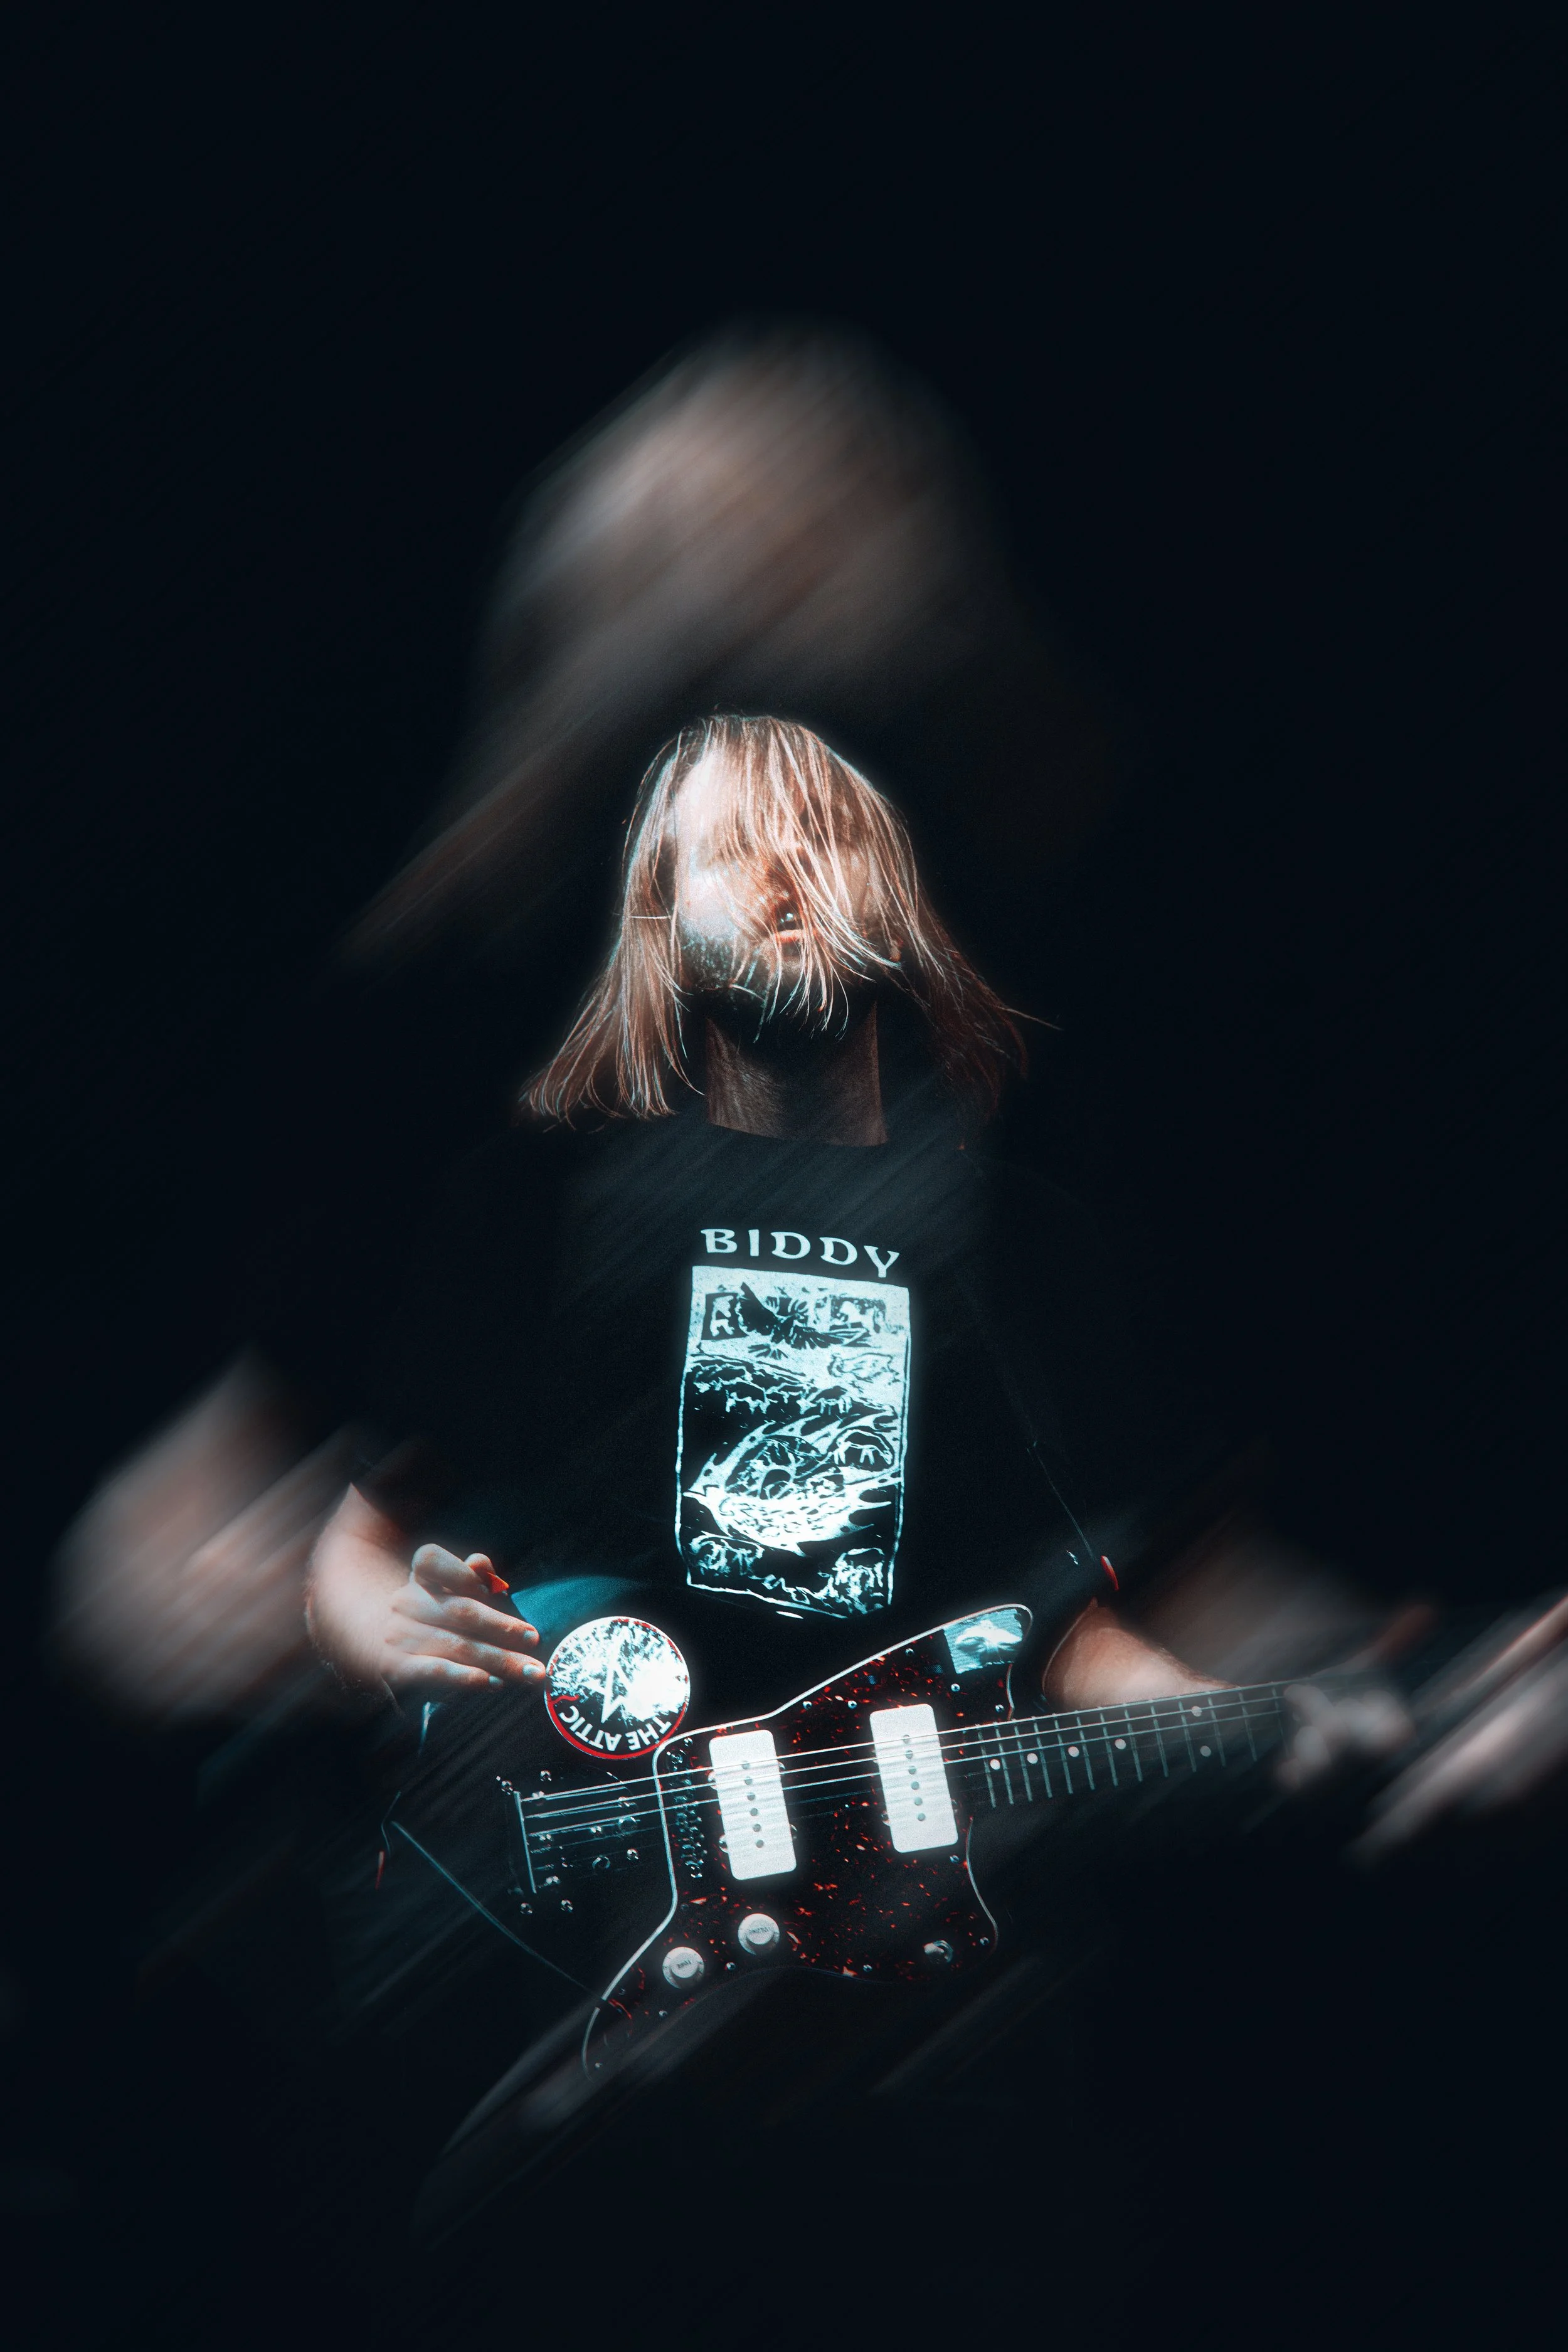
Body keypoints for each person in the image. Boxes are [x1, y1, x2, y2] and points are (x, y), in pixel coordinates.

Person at [305, 714, 1222, 1724]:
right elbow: (357, 1548)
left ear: (894, 885)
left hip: (885, 1850)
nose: (784, 869)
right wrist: (393, 1636)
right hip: (595, 1814)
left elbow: (1054, 1626)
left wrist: (1246, 1721)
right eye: (735, 849)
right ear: (661, 914)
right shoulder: (540, 1207)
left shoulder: (1016, 1237)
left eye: (823, 834)